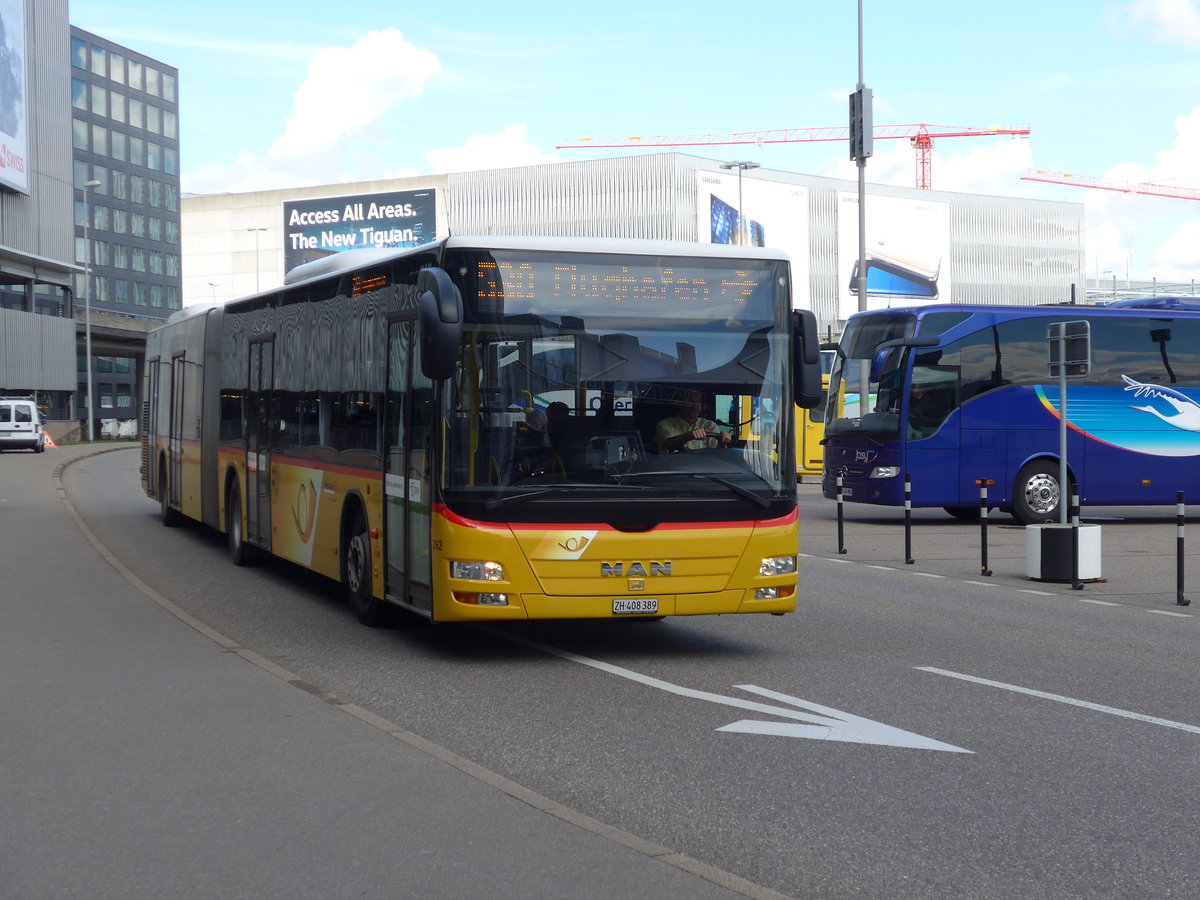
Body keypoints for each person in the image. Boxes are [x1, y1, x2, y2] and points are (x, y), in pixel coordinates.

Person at [655, 389, 731, 453]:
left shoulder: (710, 425)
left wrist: (722, 441)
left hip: (704, 469)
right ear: (679, 403)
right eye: (690, 400)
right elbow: (668, 444)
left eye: (698, 401)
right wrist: (688, 435)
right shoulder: (664, 425)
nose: (695, 406)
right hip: (675, 469)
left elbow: (717, 455)